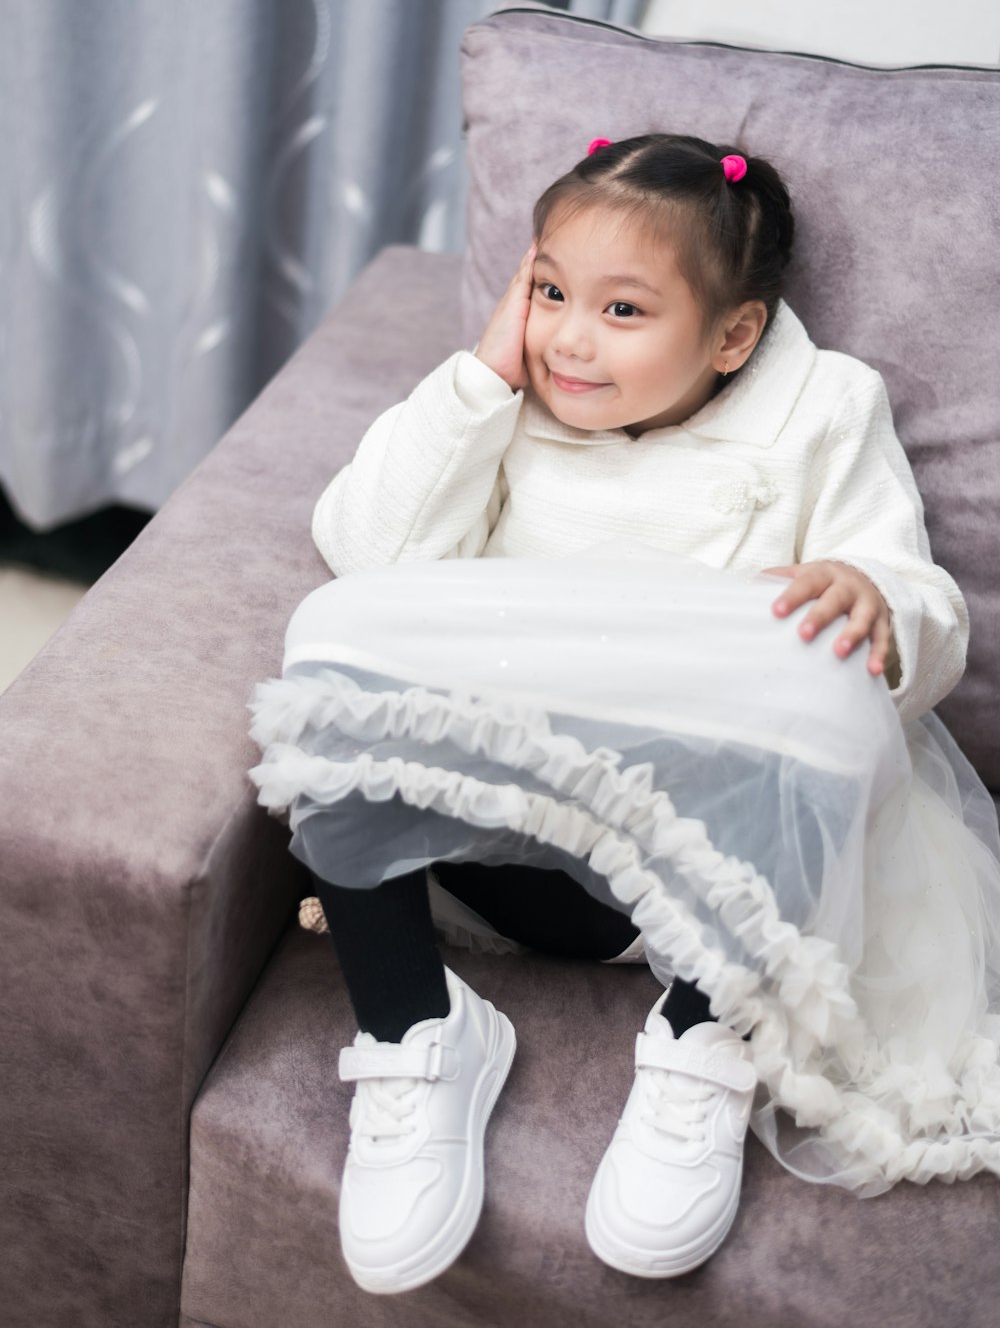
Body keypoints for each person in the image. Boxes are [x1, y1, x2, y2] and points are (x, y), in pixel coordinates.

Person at [247, 134, 1000, 1295]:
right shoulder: (506, 407)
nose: (570, 337)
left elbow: (919, 608)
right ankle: (413, 1028)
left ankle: (703, 1042)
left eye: (623, 310)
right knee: (334, 641)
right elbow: (373, 557)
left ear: (734, 335)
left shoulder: (821, 409)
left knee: (819, 675)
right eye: (548, 291)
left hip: (715, 886)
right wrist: (483, 377)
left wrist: (879, 600)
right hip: (515, 859)